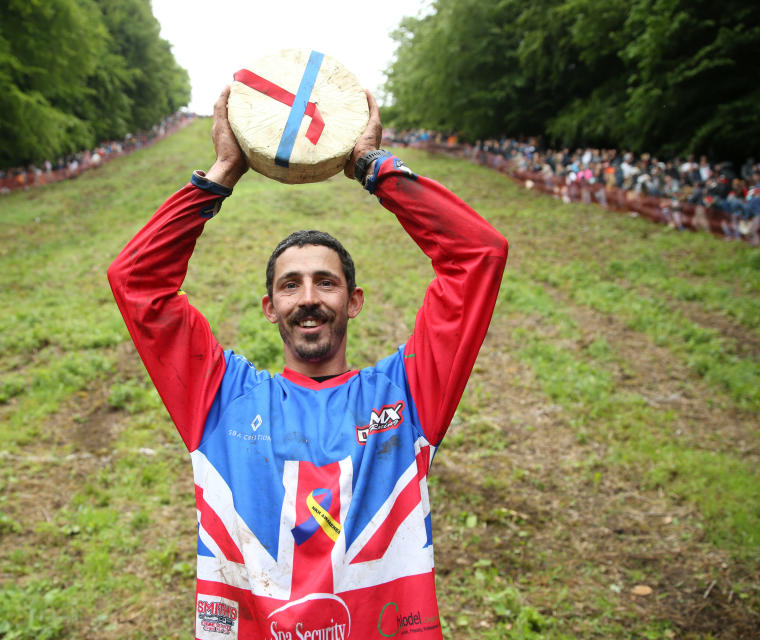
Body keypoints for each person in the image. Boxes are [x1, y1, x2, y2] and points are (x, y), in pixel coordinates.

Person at [107, 87, 507, 639]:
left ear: (354, 301)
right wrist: (223, 171)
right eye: (290, 286)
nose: (309, 297)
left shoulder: (407, 395)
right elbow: (136, 283)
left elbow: (478, 256)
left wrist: (370, 165)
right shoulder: (220, 399)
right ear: (271, 309)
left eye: (327, 282)